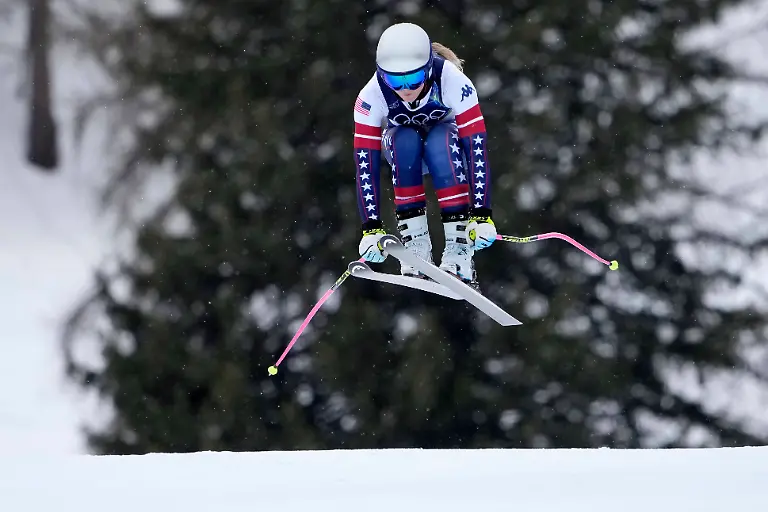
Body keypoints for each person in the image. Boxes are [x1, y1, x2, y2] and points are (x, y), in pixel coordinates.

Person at [353, 22, 497, 289]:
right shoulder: (370, 97)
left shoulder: (453, 81)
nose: (405, 88)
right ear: (382, 75)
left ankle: (458, 249)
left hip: (450, 153)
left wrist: (482, 213)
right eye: (396, 80)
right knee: (404, 139)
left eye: (414, 78)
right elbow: (365, 164)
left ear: (429, 68)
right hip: (406, 154)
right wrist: (370, 227)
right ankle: (415, 245)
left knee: (440, 140)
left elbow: (476, 147)